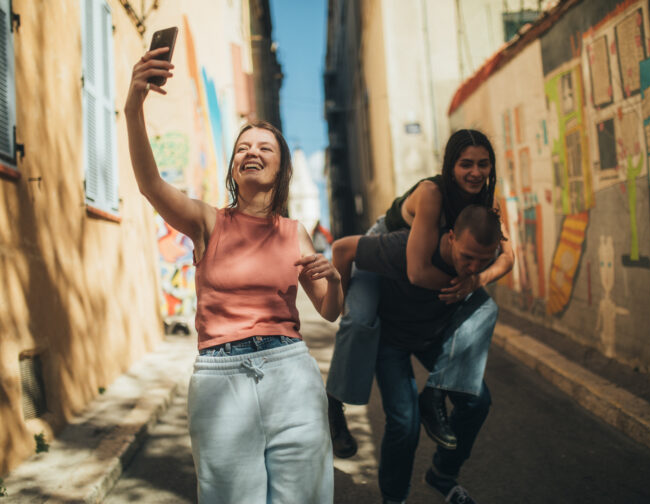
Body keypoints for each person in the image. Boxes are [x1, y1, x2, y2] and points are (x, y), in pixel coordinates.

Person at [124, 46, 343, 503]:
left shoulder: (294, 232)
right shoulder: (207, 222)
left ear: (280, 167)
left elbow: (329, 310)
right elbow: (150, 184)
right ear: (233, 168)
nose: (252, 152)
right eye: (243, 147)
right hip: (220, 377)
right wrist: (133, 105)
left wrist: (336, 279)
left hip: (290, 374)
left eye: (264, 148)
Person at [326, 129, 514, 457]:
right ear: (449, 166)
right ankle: (334, 406)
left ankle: (437, 393)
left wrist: (475, 281)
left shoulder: (488, 203)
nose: (475, 172)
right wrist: (343, 298)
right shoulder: (432, 193)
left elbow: (509, 257)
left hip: (419, 258)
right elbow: (417, 270)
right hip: (385, 249)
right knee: (359, 321)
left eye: (483, 164)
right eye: (465, 164)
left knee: (484, 308)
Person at [332, 204, 505, 504]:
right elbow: (343, 248)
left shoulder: (483, 257)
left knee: (478, 401)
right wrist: (347, 306)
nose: (474, 267)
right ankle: (394, 498)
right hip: (391, 340)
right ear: (450, 237)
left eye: (483, 260)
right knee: (404, 421)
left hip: (434, 337)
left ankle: (442, 474)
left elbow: (507, 257)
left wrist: (478, 279)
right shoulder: (402, 247)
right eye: (467, 257)